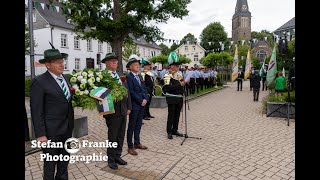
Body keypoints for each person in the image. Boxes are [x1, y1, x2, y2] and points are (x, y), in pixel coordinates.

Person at [30, 47, 74, 180]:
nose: (62, 64)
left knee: (64, 160)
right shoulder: (39, 81)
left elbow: (66, 101)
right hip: (50, 132)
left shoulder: (65, 78)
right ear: (48, 65)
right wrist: (40, 134)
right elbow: (36, 110)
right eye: (57, 62)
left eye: (62, 61)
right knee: (50, 163)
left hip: (67, 128)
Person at [102, 52, 132, 170]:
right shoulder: (103, 77)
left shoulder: (120, 75)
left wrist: (129, 107)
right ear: (106, 63)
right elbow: (100, 94)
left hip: (123, 110)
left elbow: (127, 91)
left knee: (120, 135)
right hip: (112, 111)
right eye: (111, 60)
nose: (114, 62)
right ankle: (111, 159)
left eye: (115, 60)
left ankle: (118, 156)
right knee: (113, 136)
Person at [126, 54, 149, 155]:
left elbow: (144, 88)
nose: (138, 66)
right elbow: (131, 92)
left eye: (138, 65)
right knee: (132, 125)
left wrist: (146, 98)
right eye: (135, 65)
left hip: (142, 105)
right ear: (130, 66)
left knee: (139, 125)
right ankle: (130, 146)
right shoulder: (129, 77)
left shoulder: (139, 76)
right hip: (135, 105)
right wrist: (140, 100)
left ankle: (137, 142)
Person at [162, 52, 185, 139]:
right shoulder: (167, 76)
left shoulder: (179, 75)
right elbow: (168, 88)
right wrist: (180, 85)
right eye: (175, 65)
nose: (176, 67)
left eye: (177, 66)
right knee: (171, 115)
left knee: (177, 115)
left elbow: (182, 86)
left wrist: (185, 85)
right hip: (171, 98)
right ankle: (169, 131)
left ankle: (175, 130)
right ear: (171, 66)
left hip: (179, 98)